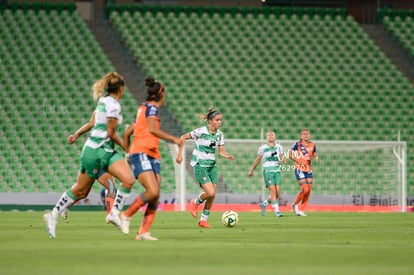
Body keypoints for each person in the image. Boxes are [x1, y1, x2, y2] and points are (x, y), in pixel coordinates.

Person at [43, 72, 135, 238]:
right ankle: (54, 214)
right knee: (80, 191)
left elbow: (92, 123)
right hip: (95, 152)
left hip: (104, 151)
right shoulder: (114, 105)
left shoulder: (103, 101)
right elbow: (110, 132)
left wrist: (76, 135)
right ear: (121, 89)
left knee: (127, 180)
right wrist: (127, 148)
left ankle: (113, 213)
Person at [114, 77, 181, 241]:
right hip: (142, 153)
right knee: (152, 191)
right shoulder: (151, 109)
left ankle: (143, 232)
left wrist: (128, 151)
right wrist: (175, 139)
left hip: (151, 154)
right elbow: (152, 129)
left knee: (155, 195)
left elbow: (126, 133)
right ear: (161, 94)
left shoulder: (142, 110)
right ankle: (126, 215)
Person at [176, 107, 234, 229]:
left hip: (212, 166)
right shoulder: (201, 131)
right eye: (217, 120)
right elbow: (183, 137)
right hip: (200, 164)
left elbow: (221, 151)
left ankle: (203, 221)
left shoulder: (220, 135)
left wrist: (227, 155)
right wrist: (179, 154)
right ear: (210, 121)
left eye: (220, 120)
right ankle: (195, 202)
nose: (219, 122)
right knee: (210, 192)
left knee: (212, 195)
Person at [60, 112, 118, 219]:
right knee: (106, 188)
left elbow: (91, 124)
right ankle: (110, 215)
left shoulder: (111, 112)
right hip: (94, 158)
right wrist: (76, 135)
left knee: (86, 193)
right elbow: (90, 124)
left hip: (102, 159)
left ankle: (64, 206)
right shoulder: (102, 112)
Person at [248, 130, 286, 217]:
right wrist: (251, 170)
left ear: (275, 137)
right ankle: (277, 211)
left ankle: (264, 204)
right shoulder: (262, 148)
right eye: (268, 135)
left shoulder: (279, 147)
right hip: (268, 171)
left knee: (277, 193)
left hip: (277, 170)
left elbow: (282, 157)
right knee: (273, 192)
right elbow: (257, 160)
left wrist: (283, 159)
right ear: (266, 138)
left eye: (272, 134)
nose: (270, 136)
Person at [289, 128, 318, 217]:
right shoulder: (297, 145)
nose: (306, 135)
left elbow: (314, 154)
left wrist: (316, 158)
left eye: (307, 134)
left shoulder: (312, 145)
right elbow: (290, 155)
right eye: (304, 134)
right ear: (301, 136)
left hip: (308, 169)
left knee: (308, 190)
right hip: (299, 168)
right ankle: (295, 204)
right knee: (305, 189)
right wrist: (298, 161)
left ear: (309, 135)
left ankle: (301, 209)